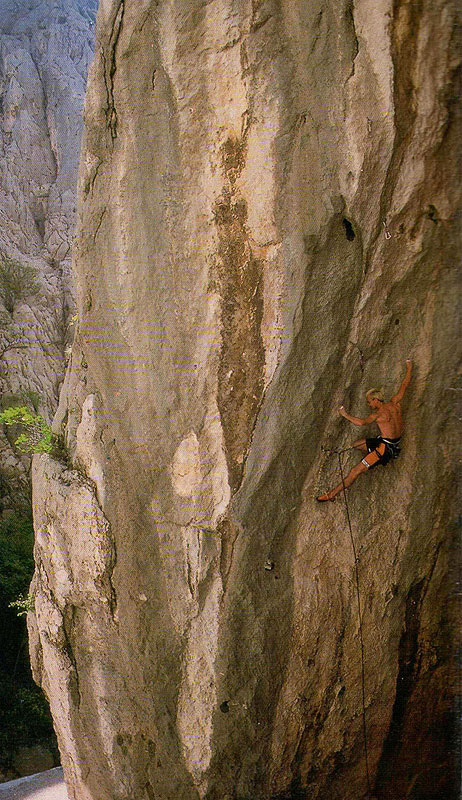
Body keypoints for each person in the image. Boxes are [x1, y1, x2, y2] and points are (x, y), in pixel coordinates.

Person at [317, 360, 412, 501]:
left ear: (376, 400)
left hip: (384, 449)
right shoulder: (395, 402)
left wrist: (345, 415)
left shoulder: (378, 414)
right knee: (357, 444)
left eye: (369, 401)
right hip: (391, 443)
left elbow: (361, 422)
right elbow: (404, 384)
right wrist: (409, 368)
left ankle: (331, 495)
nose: (368, 404)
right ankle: (373, 455)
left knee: (355, 471)